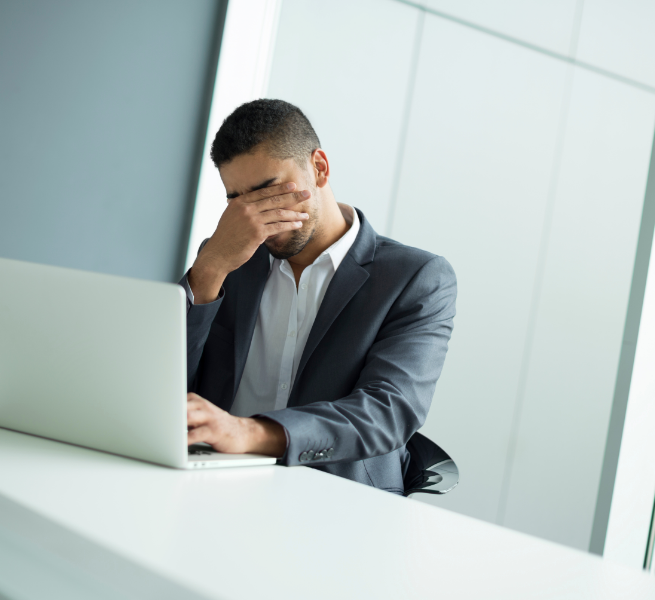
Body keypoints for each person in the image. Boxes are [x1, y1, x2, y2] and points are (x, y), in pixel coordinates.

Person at [181, 99, 457, 494]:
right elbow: (159, 380)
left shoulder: (415, 278)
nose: (253, 215)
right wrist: (208, 271)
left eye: (267, 191)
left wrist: (249, 433)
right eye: (236, 200)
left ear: (319, 168)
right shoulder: (226, 255)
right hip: (213, 484)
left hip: (336, 498)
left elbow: (388, 412)